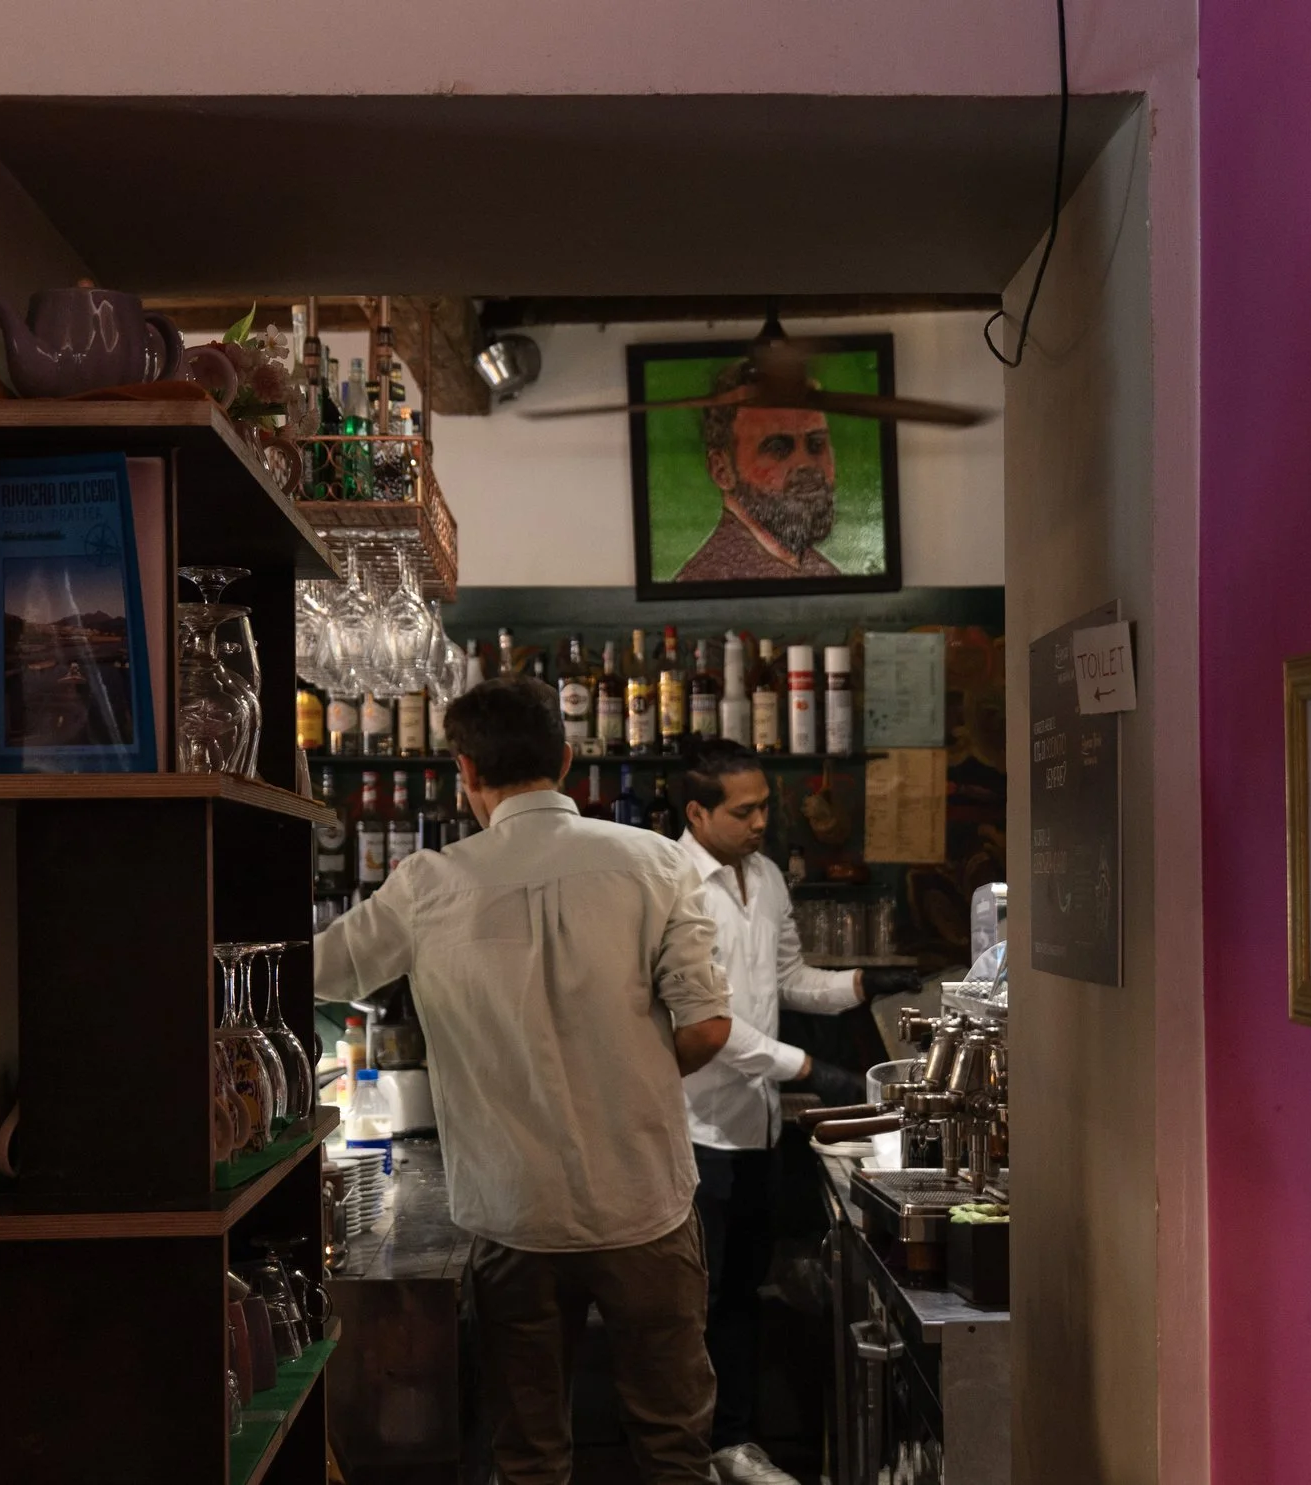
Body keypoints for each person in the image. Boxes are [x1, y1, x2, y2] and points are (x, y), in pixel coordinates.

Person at [314, 677, 734, 1485]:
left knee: (530, 1453)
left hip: (514, 1215)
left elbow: (318, 969)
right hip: (644, 1202)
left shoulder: (429, 884)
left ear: (464, 769)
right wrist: (623, 1070)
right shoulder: (655, 862)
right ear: (569, 759)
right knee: (674, 1445)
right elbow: (707, 1026)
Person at [672, 738, 921, 1485]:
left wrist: (859, 986)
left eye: (763, 808)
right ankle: (688, 1454)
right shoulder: (671, 882)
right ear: (696, 810)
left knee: (742, 1292)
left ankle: (734, 1443)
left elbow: (784, 979)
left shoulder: (769, 876)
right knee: (697, 1303)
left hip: (757, 1123)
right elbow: (705, 1019)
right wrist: (811, 1067)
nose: (759, 822)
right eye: (743, 811)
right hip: (691, 1126)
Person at [672, 360, 844, 583]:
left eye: (816, 444)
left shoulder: (823, 573)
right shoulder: (703, 581)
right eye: (778, 449)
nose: (805, 464)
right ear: (721, 470)